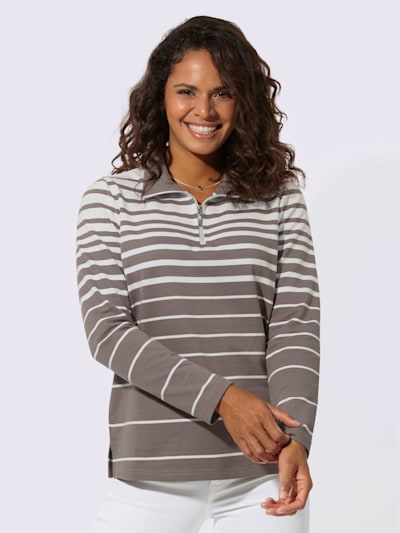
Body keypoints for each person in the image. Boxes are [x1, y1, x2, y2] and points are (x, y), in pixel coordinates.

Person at [76, 15, 320, 533]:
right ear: (160, 97)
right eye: (186, 91)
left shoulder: (280, 198)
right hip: (150, 474)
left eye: (222, 93)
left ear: (244, 101)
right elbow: (108, 332)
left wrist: (299, 438)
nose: (204, 111)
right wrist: (224, 400)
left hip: (262, 472)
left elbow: (295, 325)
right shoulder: (110, 200)